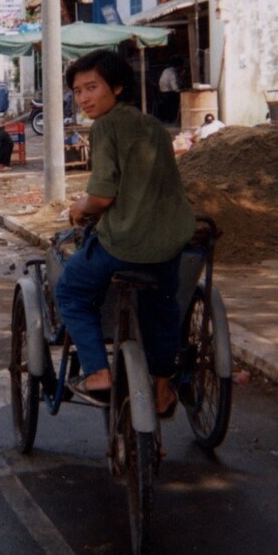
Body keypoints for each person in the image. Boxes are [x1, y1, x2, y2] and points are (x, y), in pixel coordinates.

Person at [55, 49, 196, 417]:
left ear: (117, 87)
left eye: (92, 87)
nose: (84, 98)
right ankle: (163, 389)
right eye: (77, 91)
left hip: (125, 244)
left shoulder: (105, 127)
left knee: (70, 292)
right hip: (170, 243)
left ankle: (98, 373)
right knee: (163, 308)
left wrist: (77, 208)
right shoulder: (154, 127)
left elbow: (101, 197)